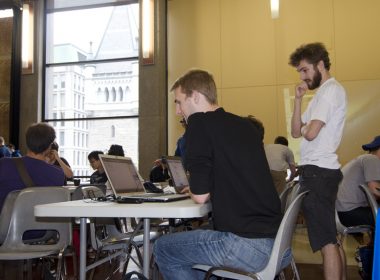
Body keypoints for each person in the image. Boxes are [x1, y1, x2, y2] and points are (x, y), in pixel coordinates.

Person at [153, 69, 287, 279]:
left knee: (163, 248)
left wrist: (196, 189)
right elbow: (237, 179)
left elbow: (199, 196)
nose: (178, 111)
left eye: (178, 102)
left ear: (195, 96)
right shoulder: (245, 125)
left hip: (246, 247)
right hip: (278, 244)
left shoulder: (198, 123)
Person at [289, 42, 347, 280]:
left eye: (304, 70)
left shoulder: (331, 90)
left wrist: (306, 128)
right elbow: (295, 131)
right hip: (319, 171)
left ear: (320, 65)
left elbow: (310, 132)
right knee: (330, 237)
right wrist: (298, 100)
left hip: (319, 172)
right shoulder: (319, 96)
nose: (302, 76)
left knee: (325, 241)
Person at [0, 123, 65, 210]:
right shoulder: (58, 174)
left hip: (7, 222)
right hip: (43, 222)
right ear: (50, 146)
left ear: (27, 142)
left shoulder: (4, 164)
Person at [336, 136, 380, 227]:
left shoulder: (363, 159)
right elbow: (375, 189)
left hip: (340, 212)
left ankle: (373, 241)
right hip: (350, 213)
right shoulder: (373, 159)